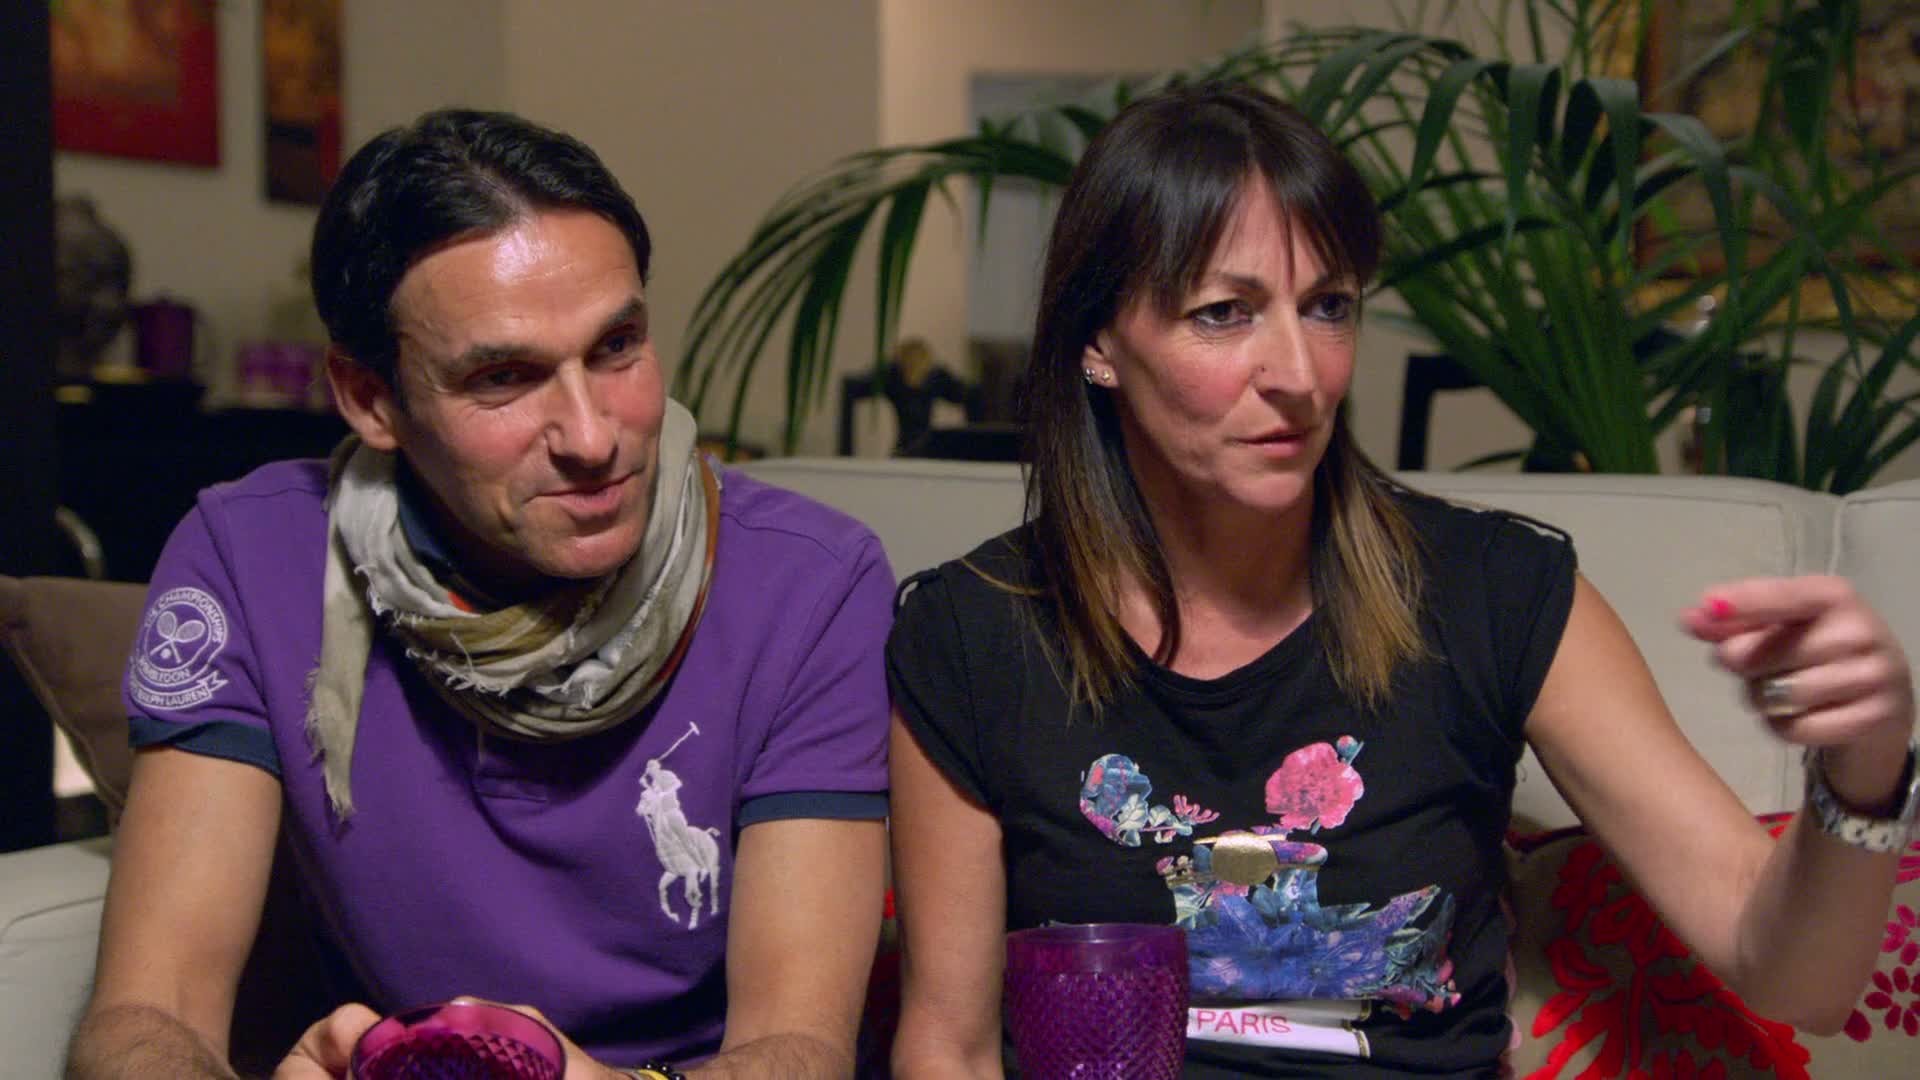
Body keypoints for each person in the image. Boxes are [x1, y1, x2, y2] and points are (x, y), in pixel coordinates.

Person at [884, 83, 1919, 1078]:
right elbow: (948, 1048)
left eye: (1327, 306)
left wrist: (1865, 768)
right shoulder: (971, 636)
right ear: (1100, 344)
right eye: (1224, 312)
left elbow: (1797, 978)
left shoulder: (1497, 593)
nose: (1300, 374)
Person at [68, 109, 893, 1080]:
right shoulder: (249, 559)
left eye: (617, 346)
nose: (593, 436)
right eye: (504, 377)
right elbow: (149, 1012)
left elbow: (797, 1051)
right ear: (371, 399)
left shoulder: (811, 586)